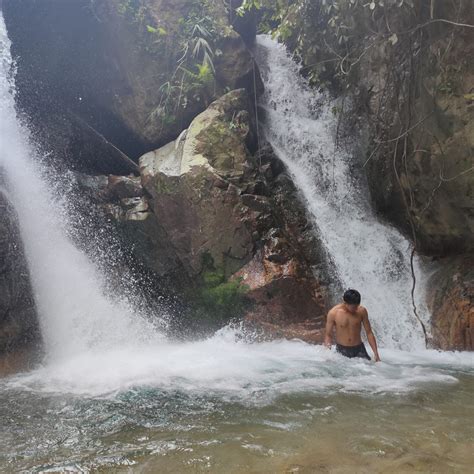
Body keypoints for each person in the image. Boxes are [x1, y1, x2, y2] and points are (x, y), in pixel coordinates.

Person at [324, 289, 381, 362]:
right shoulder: (333, 313)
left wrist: (376, 354)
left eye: (357, 306)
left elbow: (369, 332)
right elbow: (328, 335)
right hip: (342, 350)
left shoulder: (362, 311)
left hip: (359, 349)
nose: (356, 309)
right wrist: (327, 355)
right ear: (345, 303)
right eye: (353, 307)